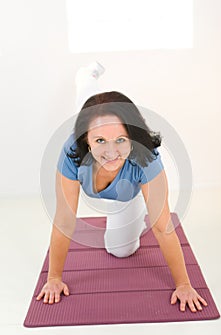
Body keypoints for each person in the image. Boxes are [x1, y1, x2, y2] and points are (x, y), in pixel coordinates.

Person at [36, 64, 208, 313]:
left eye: (121, 140)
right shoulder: (72, 151)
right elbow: (64, 219)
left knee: (120, 250)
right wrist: (54, 278)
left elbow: (162, 227)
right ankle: (87, 77)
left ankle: (113, 116)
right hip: (88, 138)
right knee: (89, 108)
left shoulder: (146, 159)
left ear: (132, 138)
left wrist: (183, 284)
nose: (111, 152)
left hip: (128, 194)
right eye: (100, 141)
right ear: (86, 140)